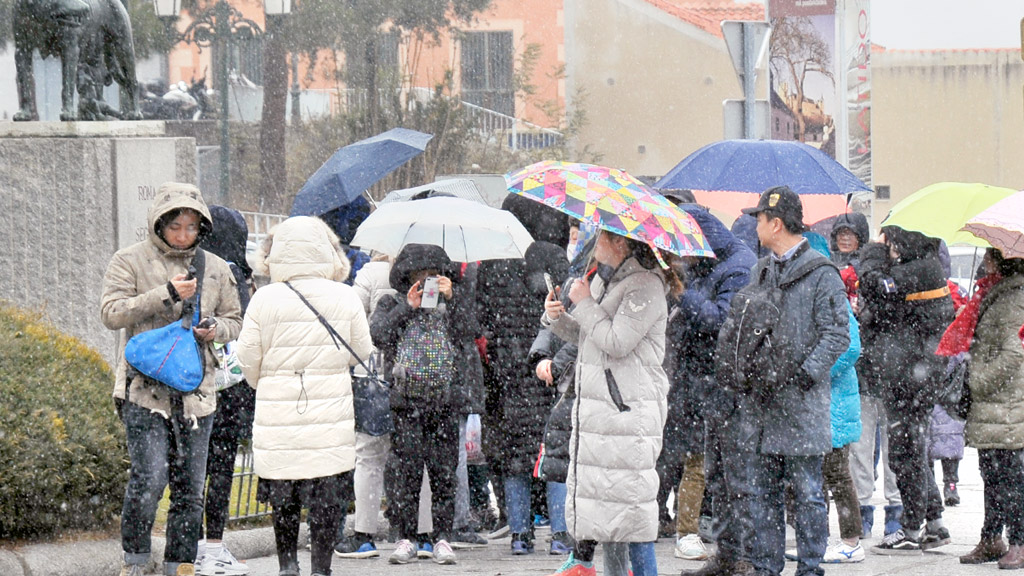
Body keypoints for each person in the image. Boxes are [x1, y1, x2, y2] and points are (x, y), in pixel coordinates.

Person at [101, 183, 242, 576]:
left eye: (192, 228)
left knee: (190, 490)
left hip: (198, 393)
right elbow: (111, 313)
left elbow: (235, 320)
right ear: (159, 224)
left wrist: (216, 330)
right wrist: (164, 294)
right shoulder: (129, 260)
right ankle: (136, 559)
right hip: (143, 391)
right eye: (176, 226)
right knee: (149, 480)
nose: (184, 235)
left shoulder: (215, 267)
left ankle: (179, 565)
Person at [235, 216, 372, 576]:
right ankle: (321, 567)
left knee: (284, 492)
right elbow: (361, 350)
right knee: (327, 495)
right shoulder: (345, 295)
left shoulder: (264, 299)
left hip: (278, 412)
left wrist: (267, 381)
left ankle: (287, 564)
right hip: (331, 412)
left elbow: (248, 359)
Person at [542, 229, 682, 576]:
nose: (594, 245)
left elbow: (618, 341)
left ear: (620, 244)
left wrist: (586, 302)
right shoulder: (611, 281)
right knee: (609, 517)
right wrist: (558, 317)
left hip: (627, 415)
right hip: (603, 412)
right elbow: (591, 336)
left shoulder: (645, 287)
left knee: (632, 516)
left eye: (601, 238)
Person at [739, 186, 851, 576]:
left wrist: (804, 376)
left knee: (807, 494)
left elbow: (838, 333)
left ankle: (809, 568)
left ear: (776, 223)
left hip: (802, 404)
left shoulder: (822, 272)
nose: (754, 225)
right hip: (763, 402)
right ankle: (767, 567)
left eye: (759, 218)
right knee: (763, 494)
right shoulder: (762, 270)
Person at [371, 243, 478, 565]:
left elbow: (470, 332)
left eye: (434, 276)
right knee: (407, 472)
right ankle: (406, 537)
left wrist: (454, 298)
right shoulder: (391, 301)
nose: (428, 282)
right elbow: (378, 335)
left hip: (445, 402)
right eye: (421, 277)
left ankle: (442, 536)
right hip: (406, 402)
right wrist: (408, 306)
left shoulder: (451, 303)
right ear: (407, 278)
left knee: (445, 472)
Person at [665, 205, 757, 564]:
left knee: (730, 476)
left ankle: (740, 557)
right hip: (703, 386)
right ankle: (726, 557)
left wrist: (682, 295)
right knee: (714, 473)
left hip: (726, 388)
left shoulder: (737, 267)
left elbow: (720, 320)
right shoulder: (708, 264)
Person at [859, 225, 954, 554]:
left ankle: (912, 528)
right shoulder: (924, 268)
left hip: (910, 377)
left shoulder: (921, 269)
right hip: (913, 374)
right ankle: (935, 522)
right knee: (913, 449)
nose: (892, 248)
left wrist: (872, 254)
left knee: (906, 453)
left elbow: (873, 286)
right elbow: (889, 307)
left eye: (896, 241)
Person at [476, 239, 568, 555]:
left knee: (516, 458)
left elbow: (481, 318)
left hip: (508, 377)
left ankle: (520, 535)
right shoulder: (552, 256)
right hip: (549, 369)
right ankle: (560, 534)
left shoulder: (495, 257)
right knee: (556, 454)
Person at [947, 249, 1024, 566]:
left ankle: (1019, 541)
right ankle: (991, 537)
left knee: (1012, 479)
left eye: (990, 257)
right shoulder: (993, 293)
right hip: (993, 408)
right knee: (992, 476)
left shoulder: (1013, 297)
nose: (985, 262)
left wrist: (976, 380)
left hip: (1006, 406)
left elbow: (1014, 353)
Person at [832, 213, 905, 539]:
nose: (845, 239)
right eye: (841, 233)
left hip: (891, 377)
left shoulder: (896, 279)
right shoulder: (835, 275)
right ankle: (862, 514)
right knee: (859, 452)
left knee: (891, 453)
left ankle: (896, 514)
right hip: (862, 378)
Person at [195, 205, 256, 576]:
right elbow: (245, 328)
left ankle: (187, 547)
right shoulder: (232, 273)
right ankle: (213, 546)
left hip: (189, 379)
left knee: (191, 467)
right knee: (219, 465)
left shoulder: (192, 267)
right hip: (228, 386)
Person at [803, 232, 865, 564]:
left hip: (835, 402)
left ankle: (851, 541)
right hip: (816, 401)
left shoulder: (833, 297)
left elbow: (850, 346)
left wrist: (817, 371)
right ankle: (819, 539)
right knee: (813, 476)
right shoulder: (805, 296)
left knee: (837, 474)